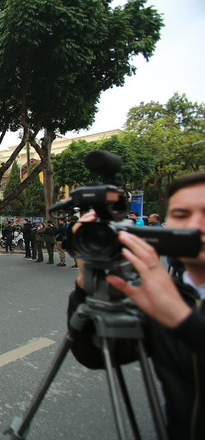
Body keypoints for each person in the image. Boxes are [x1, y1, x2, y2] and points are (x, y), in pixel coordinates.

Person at [68, 171, 205, 440]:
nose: (196, 225)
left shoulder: (168, 303)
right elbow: (94, 355)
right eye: (181, 214)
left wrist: (182, 320)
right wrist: (85, 283)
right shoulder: (162, 295)